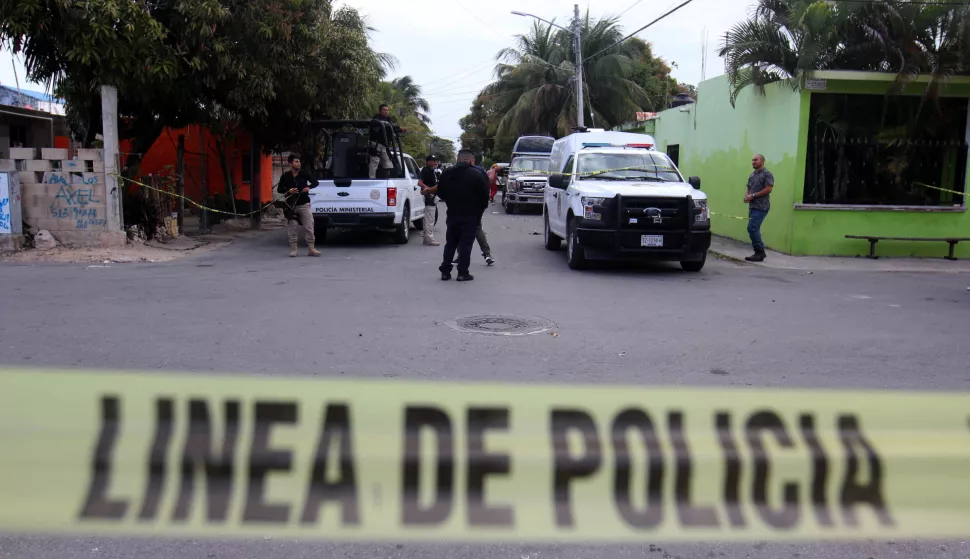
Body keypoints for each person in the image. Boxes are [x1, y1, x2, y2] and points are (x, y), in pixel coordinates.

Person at [437, 149, 490, 281]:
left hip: (453, 212)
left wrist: (450, 201)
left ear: (458, 159)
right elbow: (484, 196)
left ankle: (445, 271)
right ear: (471, 160)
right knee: (466, 244)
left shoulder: (447, 173)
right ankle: (462, 273)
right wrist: (479, 211)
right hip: (470, 214)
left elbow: (440, 192)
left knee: (450, 243)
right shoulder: (477, 174)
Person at [277, 154, 320, 257]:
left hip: (304, 203)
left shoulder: (304, 174)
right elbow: (279, 189)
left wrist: (308, 187)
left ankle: (311, 248)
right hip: (291, 205)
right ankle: (294, 249)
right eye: (296, 162)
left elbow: (315, 182)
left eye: (299, 161)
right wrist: (289, 190)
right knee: (292, 228)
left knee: (309, 226)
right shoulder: (285, 176)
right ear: (290, 163)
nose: (299, 163)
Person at [744, 153, 773, 262]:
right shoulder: (752, 175)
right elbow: (748, 187)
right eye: (752, 160)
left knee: (752, 228)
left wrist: (753, 195)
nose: (754, 162)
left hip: (761, 206)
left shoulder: (767, 174)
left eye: (756, 160)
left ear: (762, 161)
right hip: (752, 206)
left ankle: (760, 252)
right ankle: (758, 252)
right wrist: (747, 196)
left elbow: (769, 189)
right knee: (752, 228)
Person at [368, 104, 407, 179]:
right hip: (376, 144)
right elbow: (378, 130)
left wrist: (399, 129)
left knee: (388, 163)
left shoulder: (388, 119)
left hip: (384, 145)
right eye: (384, 110)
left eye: (387, 110)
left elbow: (391, 127)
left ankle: (388, 178)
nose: (386, 111)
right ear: (380, 111)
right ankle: (371, 179)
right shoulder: (376, 120)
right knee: (374, 161)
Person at [418, 154, 441, 246]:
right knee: (430, 217)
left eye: (435, 160)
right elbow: (419, 182)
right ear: (428, 162)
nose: (435, 162)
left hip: (432, 195)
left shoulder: (433, 170)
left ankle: (426, 236)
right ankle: (429, 238)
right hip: (429, 195)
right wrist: (428, 189)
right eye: (433, 160)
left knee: (429, 217)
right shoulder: (426, 170)